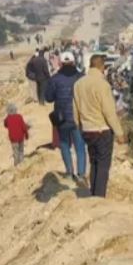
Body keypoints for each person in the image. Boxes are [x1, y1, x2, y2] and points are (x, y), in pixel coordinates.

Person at [73, 55, 126, 198]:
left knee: (94, 162)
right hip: (102, 130)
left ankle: (93, 194)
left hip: (87, 130)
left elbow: (75, 110)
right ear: (102, 67)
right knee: (103, 165)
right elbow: (109, 112)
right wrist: (119, 133)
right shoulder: (103, 85)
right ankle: (99, 198)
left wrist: (79, 126)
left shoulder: (78, 84)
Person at [45, 52, 87, 183]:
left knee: (64, 145)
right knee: (80, 146)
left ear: (61, 63)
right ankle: (81, 174)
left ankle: (69, 172)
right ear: (74, 62)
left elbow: (49, 98)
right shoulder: (81, 77)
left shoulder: (55, 79)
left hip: (62, 118)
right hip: (77, 117)